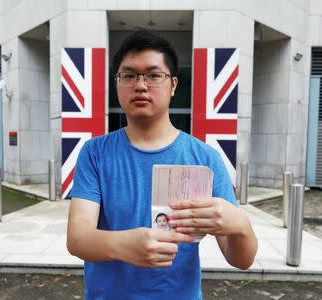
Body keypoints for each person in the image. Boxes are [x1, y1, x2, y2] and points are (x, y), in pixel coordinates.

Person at [67, 29, 258, 299]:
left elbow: (242, 260)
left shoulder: (205, 158)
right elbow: (77, 238)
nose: (141, 85)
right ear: (117, 83)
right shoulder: (95, 153)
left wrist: (240, 224)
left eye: (154, 75)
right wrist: (123, 244)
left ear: (174, 85)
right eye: (129, 75)